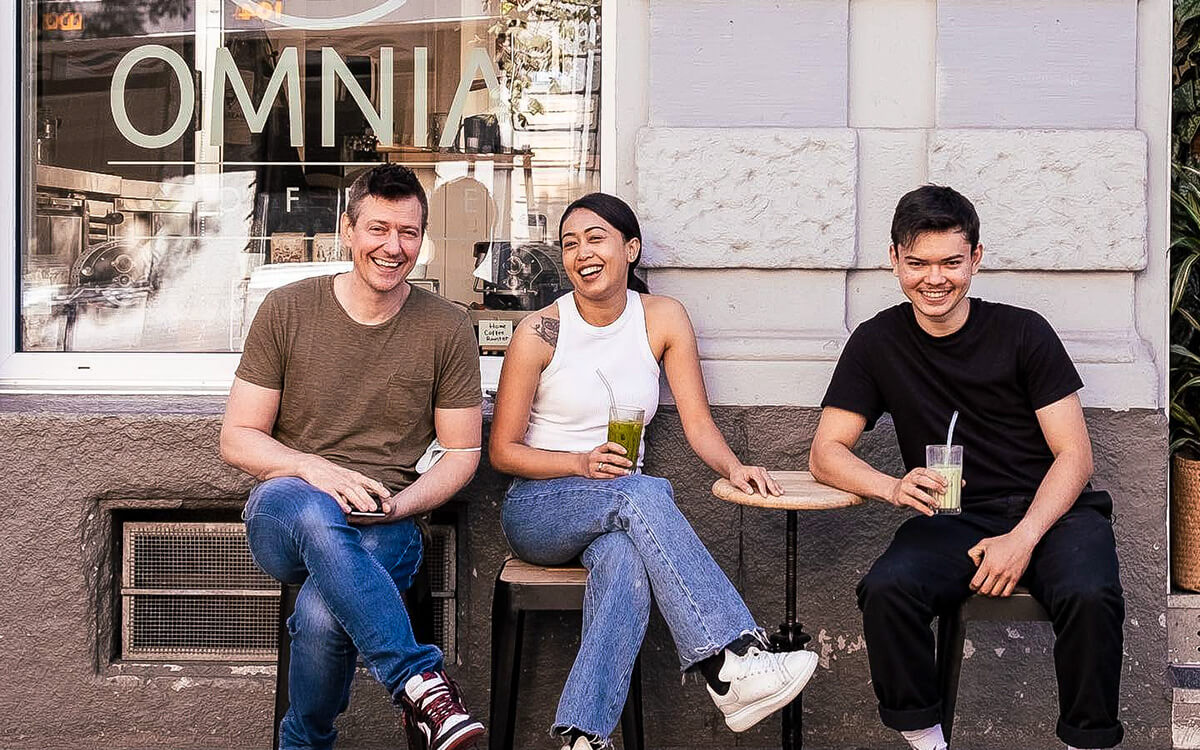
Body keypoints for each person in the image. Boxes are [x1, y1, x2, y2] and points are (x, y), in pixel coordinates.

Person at [489, 192, 820, 750]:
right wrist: (579, 463)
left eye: (596, 238)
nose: (582, 253)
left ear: (631, 248)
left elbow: (698, 422)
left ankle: (582, 737)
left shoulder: (661, 318)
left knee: (624, 561)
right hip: (540, 506)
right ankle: (731, 659)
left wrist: (734, 466)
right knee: (639, 493)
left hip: (620, 509)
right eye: (570, 244)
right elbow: (502, 451)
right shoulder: (540, 332)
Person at [808, 185, 1125, 750]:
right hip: (953, 515)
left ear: (975, 258)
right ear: (894, 260)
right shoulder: (877, 341)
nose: (935, 279)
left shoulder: (1024, 331)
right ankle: (927, 741)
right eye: (918, 263)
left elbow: (1076, 456)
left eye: (951, 262)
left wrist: (1021, 539)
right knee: (887, 589)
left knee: (1090, 595)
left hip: (1054, 512)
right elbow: (824, 452)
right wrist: (892, 487)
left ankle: (1087, 742)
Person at [220, 164, 486, 750]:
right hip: (288, 507)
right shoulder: (287, 309)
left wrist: (396, 508)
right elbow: (238, 437)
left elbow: (462, 452)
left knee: (320, 617)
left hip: (383, 519)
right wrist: (314, 469)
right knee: (317, 509)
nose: (393, 247)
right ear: (348, 229)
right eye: (378, 229)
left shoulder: (447, 326)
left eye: (408, 232)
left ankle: (303, 742)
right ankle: (421, 682)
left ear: (422, 238)